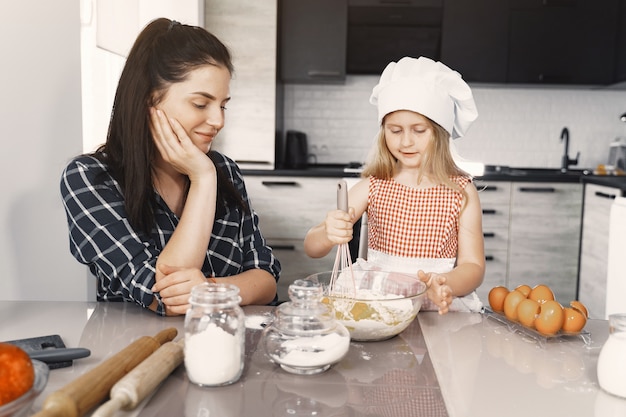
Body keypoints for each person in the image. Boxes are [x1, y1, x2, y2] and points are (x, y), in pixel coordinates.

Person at [60, 18, 280, 316]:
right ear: (150, 100)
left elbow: (266, 280)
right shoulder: (90, 179)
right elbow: (164, 298)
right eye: (201, 104)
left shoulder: (224, 170)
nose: (218, 120)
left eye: (223, 105)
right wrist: (202, 179)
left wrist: (208, 291)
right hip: (137, 354)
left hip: (223, 347)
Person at [304, 56, 484, 314]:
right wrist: (328, 232)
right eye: (395, 130)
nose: (406, 141)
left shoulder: (462, 192)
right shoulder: (373, 186)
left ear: (440, 132)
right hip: (378, 302)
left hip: (435, 305)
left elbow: (473, 266)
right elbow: (312, 246)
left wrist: (447, 284)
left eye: (419, 130)